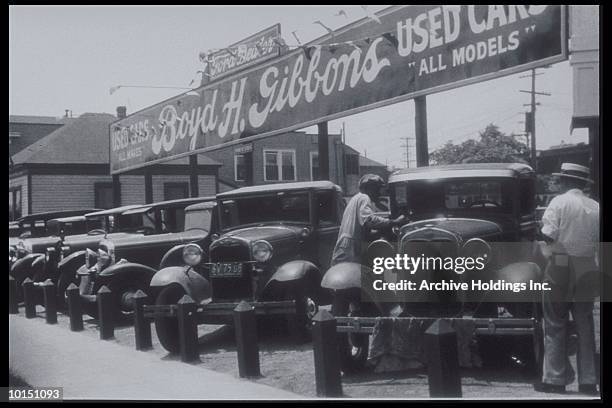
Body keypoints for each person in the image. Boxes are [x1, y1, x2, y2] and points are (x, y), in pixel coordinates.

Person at [534, 163, 599, 395]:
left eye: (561, 179)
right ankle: (589, 380)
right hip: (587, 266)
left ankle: (555, 379)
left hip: (561, 262)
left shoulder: (558, 202)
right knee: (585, 323)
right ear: (582, 183)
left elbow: (548, 235)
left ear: (567, 181)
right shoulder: (596, 207)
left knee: (554, 322)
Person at [331, 174, 405, 266]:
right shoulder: (364, 197)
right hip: (351, 247)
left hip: (348, 245)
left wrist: (380, 233)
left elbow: (364, 227)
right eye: (376, 189)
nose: (379, 193)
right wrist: (394, 222)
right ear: (367, 188)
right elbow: (369, 220)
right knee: (351, 276)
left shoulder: (357, 198)